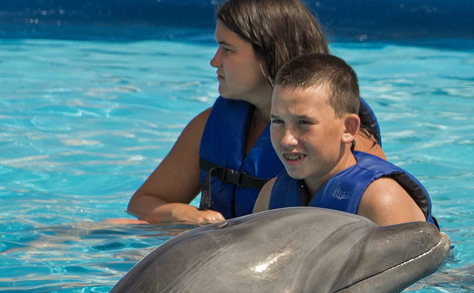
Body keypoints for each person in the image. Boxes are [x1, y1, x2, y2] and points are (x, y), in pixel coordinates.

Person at [127, 0, 383, 224]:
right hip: (226, 249)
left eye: (227, 49)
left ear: (268, 54)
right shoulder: (210, 126)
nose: (214, 61)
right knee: (110, 229)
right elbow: (144, 201)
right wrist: (182, 214)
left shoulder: (341, 142)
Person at [251, 54, 433, 227]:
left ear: (349, 129)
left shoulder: (381, 201)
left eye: (304, 122)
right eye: (277, 121)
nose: (287, 139)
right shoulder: (270, 198)